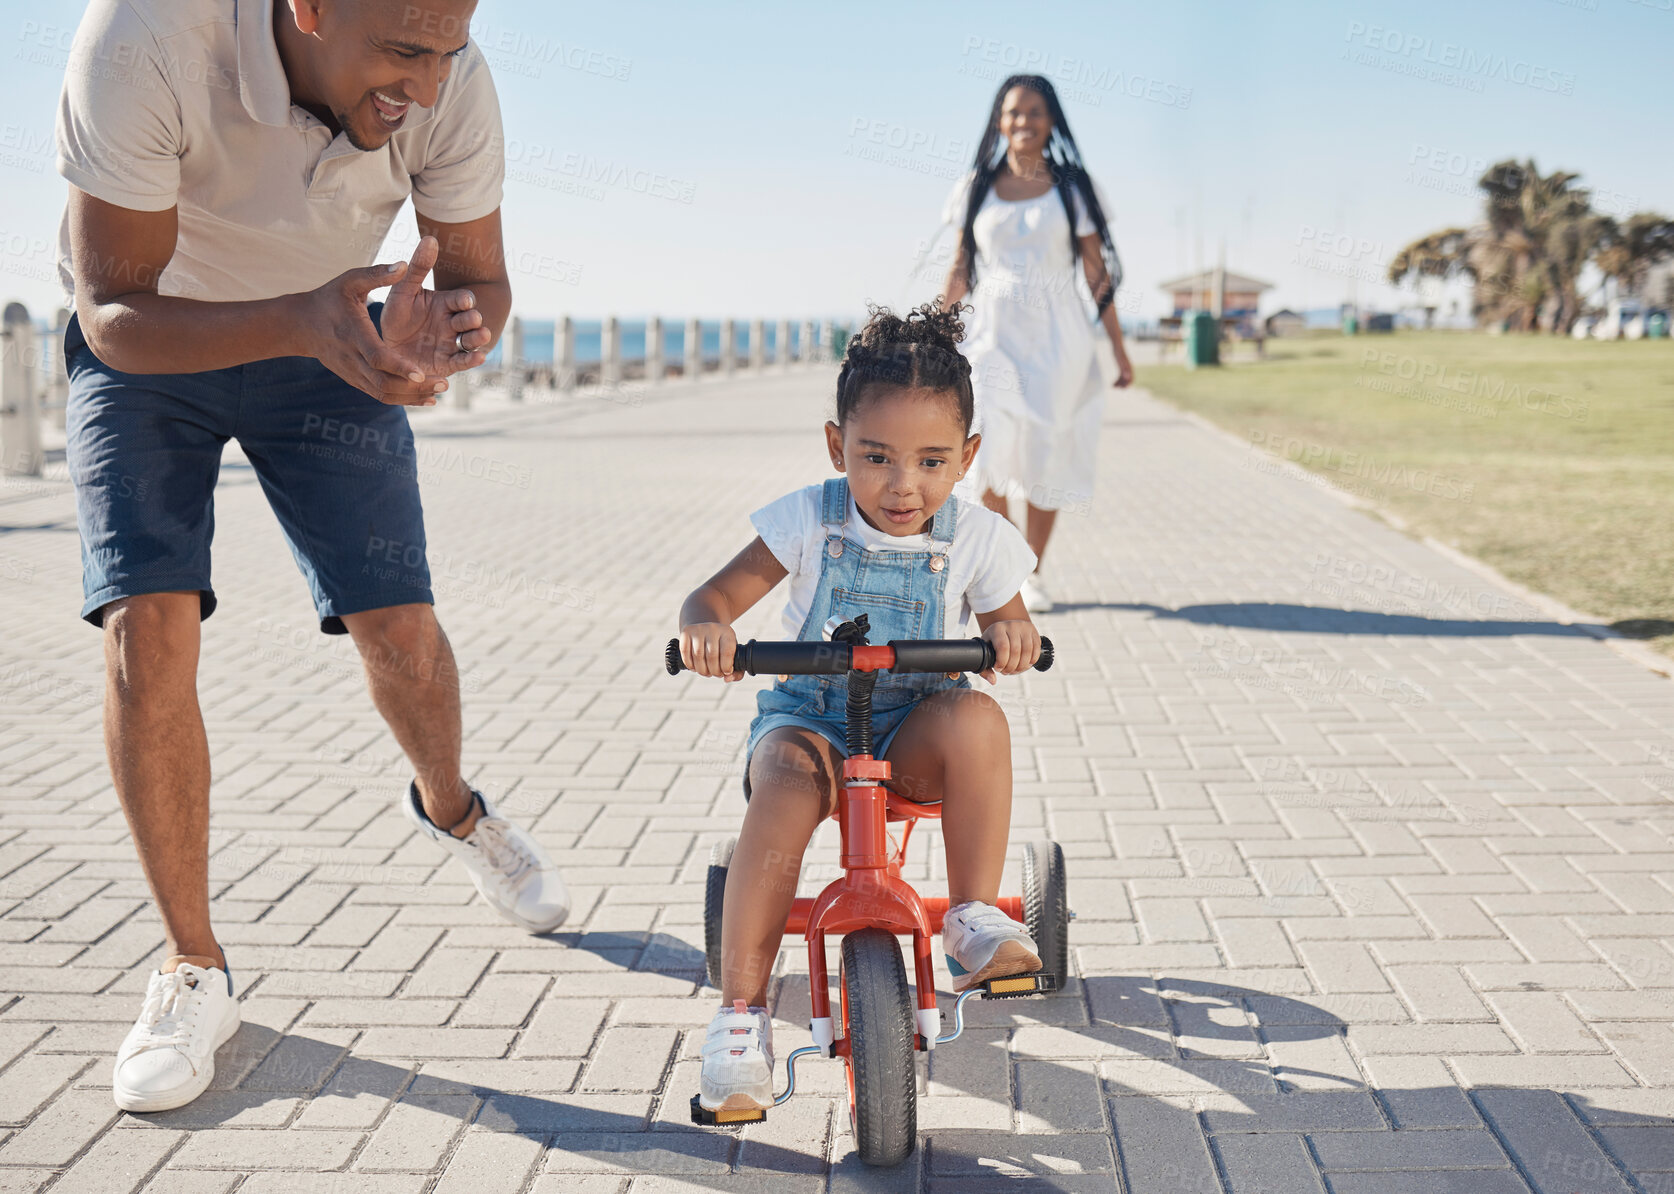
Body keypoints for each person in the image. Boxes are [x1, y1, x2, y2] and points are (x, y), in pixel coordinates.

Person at [54, 0, 568, 1113]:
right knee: (148, 630)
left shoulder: (451, 78)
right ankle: (195, 968)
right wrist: (299, 319)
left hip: (337, 335)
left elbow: (482, 275)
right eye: (405, 52)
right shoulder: (145, 36)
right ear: (310, 8)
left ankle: (455, 811)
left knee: (401, 631)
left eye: (450, 50)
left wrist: (451, 337)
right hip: (160, 342)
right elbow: (110, 312)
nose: (431, 85)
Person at [675, 303, 1045, 1114]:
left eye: (931, 460)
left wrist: (1013, 636)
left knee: (979, 715)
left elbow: (1008, 623)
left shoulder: (976, 537)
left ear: (967, 460)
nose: (901, 483)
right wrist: (707, 627)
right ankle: (740, 1018)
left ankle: (972, 913)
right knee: (780, 776)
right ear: (838, 445)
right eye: (876, 457)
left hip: (915, 726)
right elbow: (715, 596)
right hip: (812, 718)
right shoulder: (808, 517)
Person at [939, 73, 1134, 613]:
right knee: (990, 449)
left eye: (1034, 112)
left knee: (1047, 454)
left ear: (1052, 121)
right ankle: (1004, 572)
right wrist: (935, 328)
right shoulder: (975, 185)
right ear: (999, 121)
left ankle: (1034, 574)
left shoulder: (1074, 188)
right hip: (992, 334)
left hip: (1059, 337)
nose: (1023, 122)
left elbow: (1097, 275)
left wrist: (1118, 348)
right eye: (1013, 113)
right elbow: (959, 267)